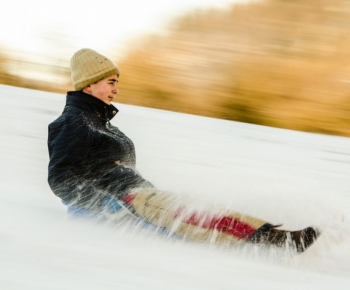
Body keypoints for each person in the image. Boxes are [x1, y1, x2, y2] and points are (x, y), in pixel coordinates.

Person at [48, 48, 319, 253]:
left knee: (196, 212)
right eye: (110, 82)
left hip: (134, 197)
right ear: (89, 84)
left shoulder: (98, 122)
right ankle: (276, 241)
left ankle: (264, 239)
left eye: (117, 82)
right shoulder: (74, 122)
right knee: (196, 215)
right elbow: (61, 178)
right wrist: (106, 205)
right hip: (119, 200)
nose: (116, 90)